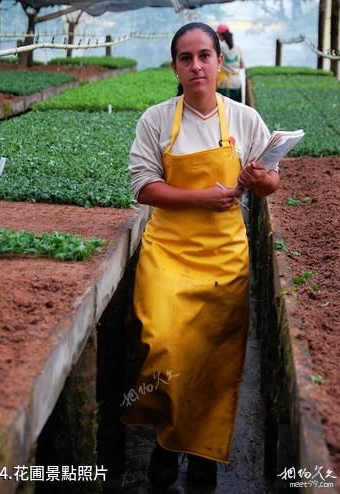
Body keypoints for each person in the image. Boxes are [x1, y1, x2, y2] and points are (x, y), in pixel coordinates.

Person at [123, 22, 279, 488]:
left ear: (219, 61)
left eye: (204, 56)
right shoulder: (156, 120)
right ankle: (168, 439)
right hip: (168, 251)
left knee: (214, 359)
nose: (196, 66)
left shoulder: (244, 120)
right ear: (175, 66)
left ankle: (200, 456)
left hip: (223, 257)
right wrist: (200, 199)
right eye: (186, 58)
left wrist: (257, 179)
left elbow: (272, 182)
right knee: (164, 345)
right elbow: (142, 186)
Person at [216, 23, 245, 102]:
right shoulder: (238, 48)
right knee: (236, 109)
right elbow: (242, 65)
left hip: (224, 84)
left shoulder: (220, 48)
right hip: (237, 83)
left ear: (220, 34)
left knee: (223, 110)